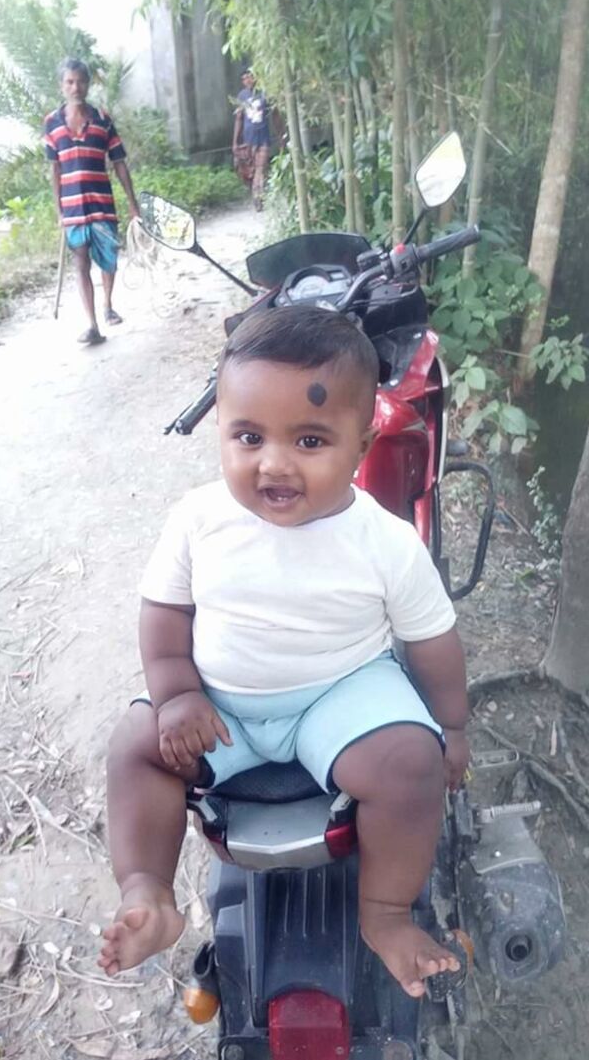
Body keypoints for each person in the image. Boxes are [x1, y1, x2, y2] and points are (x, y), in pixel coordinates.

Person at [99, 306, 470, 999]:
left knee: (411, 764)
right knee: (133, 744)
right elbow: (165, 611)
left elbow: (431, 640)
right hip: (218, 706)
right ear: (221, 430)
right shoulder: (199, 519)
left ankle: (385, 914)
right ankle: (148, 891)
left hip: (341, 693)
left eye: (309, 439)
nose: (274, 463)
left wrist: (451, 725)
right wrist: (176, 693)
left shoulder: (385, 541)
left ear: (361, 444)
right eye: (249, 436)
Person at [44, 58, 139, 346]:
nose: (76, 87)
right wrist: (59, 211)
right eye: (70, 82)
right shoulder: (52, 123)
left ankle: (108, 305)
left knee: (108, 257)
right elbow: (55, 170)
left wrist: (133, 203)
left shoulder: (102, 119)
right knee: (81, 262)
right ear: (62, 85)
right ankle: (92, 325)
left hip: (102, 204)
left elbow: (119, 162)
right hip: (73, 209)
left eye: (81, 81)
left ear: (88, 84)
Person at [232, 68, 283, 212]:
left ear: (256, 78)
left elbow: (275, 116)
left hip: (263, 138)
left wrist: (281, 135)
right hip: (248, 140)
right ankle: (257, 192)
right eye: (245, 78)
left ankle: (258, 197)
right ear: (243, 81)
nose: (248, 80)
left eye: (250, 77)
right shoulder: (242, 96)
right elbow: (239, 119)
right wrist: (235, 142)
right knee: (251, 170)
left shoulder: (265, 93)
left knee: (261, 167)